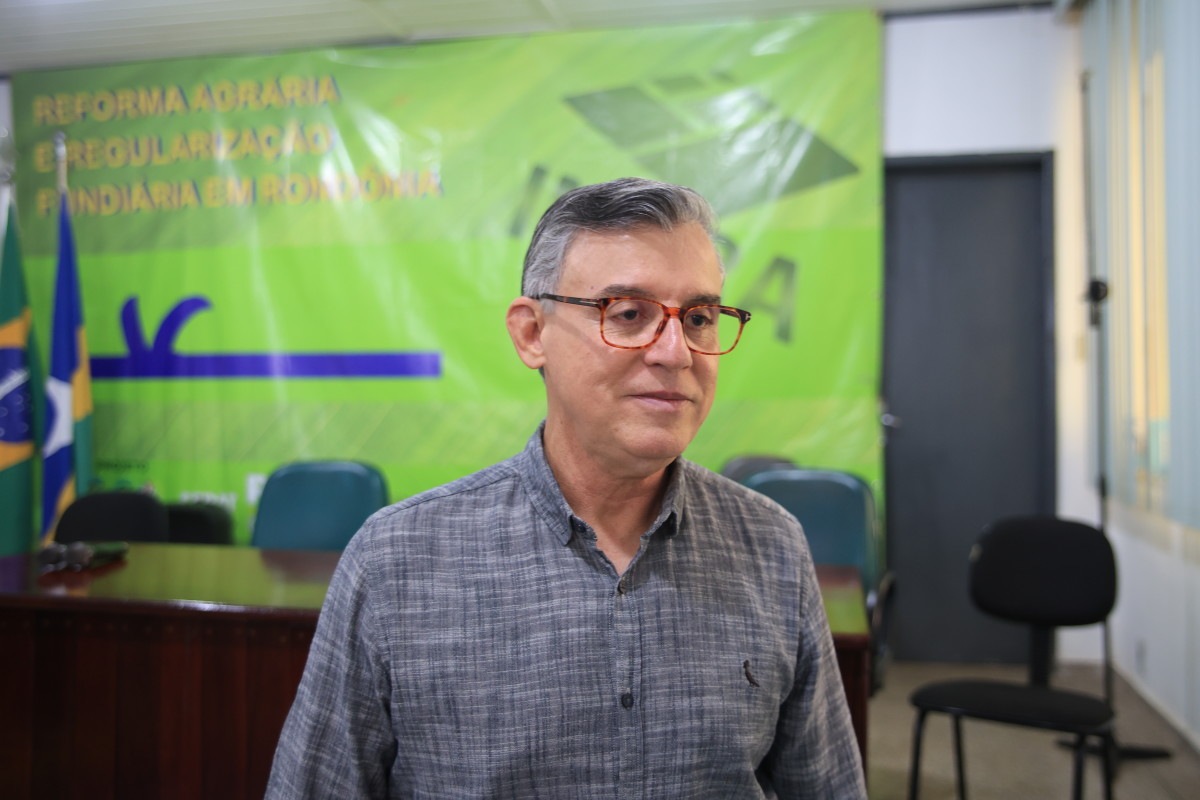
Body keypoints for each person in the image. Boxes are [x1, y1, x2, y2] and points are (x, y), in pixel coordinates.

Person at [266, 177, 867, 798]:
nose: (675, 352)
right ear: (532, 334)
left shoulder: (771, 546)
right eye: (628, 313)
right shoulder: (398, 561)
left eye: (698, 318)